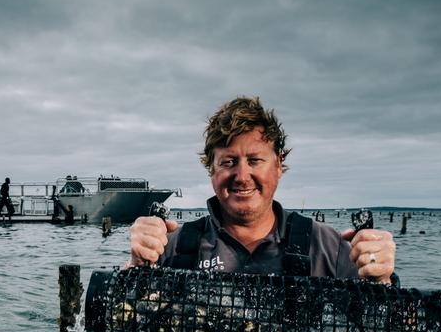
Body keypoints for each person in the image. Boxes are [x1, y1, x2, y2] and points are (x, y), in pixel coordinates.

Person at [128, 96, 397, 284]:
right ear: (211, 169)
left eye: (255, 160)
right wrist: (137, 265)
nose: (242, 176)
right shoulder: (173, 249)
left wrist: (382, 278)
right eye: (228, 162)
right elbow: (120, 321)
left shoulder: (329, 250)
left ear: (279, 164)